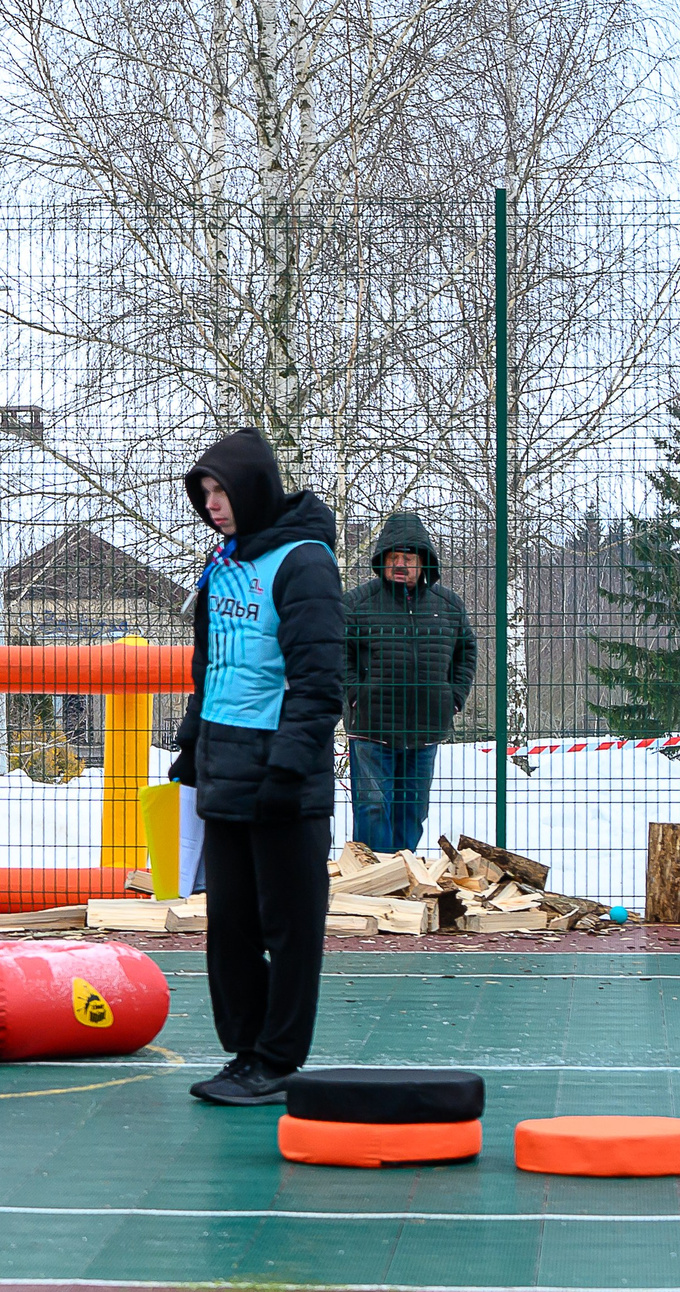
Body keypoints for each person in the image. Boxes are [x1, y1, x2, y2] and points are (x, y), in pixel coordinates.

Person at [167, 428, 344, 1106]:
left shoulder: (304, 562)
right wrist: (192, 745)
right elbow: (212, 665)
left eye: (222, 491)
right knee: (231, 925)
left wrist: (288, 769)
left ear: (255, 488)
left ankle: (277, 1058)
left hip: (283, 783)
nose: (213, 504)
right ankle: (244, 1051)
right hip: (225, 770)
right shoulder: (223, 563)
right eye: (205, 493)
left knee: (290, 926)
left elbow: (319, 679)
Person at [343, 512, 474, 854]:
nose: (400, 564)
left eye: (409, 558)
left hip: (425, 727)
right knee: (373, 809)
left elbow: (466, 651)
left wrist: (454, 697)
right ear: (382, 560)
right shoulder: (357, 604)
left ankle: (404, 878)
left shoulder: (448, 605)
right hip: (372, 727)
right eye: (394, 557)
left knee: (412, 813)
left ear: (423, 561)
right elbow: (337, 653)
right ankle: (374, 883)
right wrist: (356, 693)